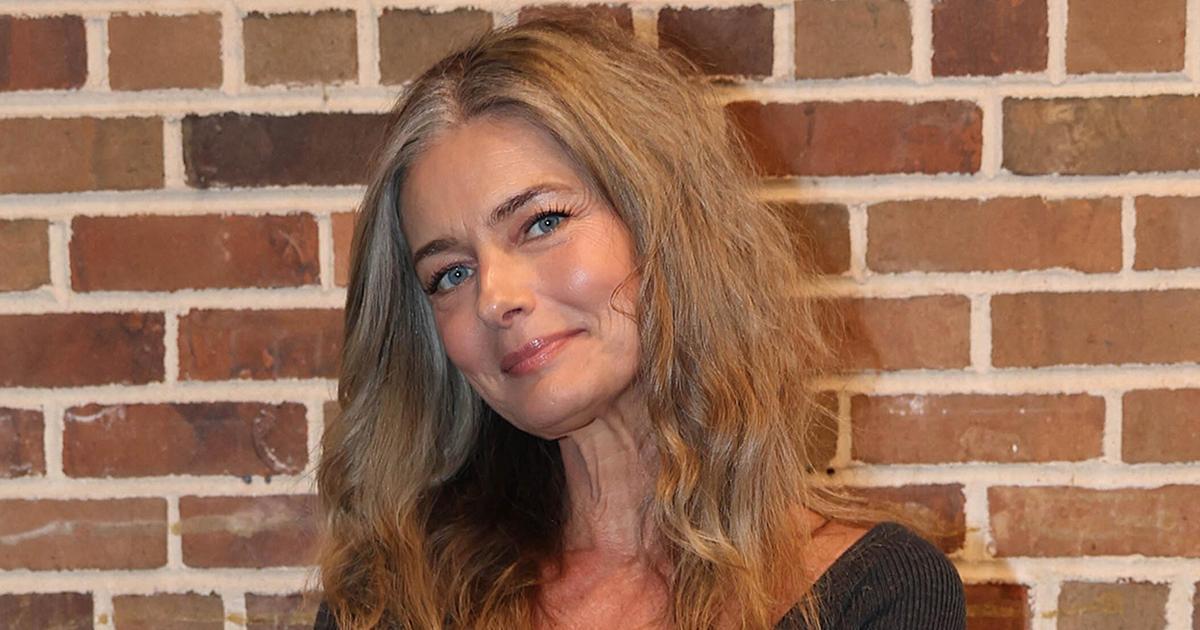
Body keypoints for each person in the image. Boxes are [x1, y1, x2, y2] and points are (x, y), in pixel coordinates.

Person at [314, 16, 966, 630]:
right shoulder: (392, 600)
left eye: (542, 222)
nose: (494, 298)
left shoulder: (872, 592)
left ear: (663, 226)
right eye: (451, 274)